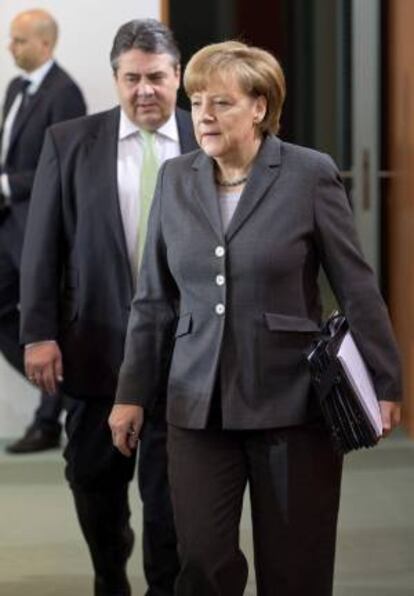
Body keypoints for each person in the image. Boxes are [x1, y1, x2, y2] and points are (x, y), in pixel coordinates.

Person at [111, 41, 402, 596]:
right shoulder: (175, 179)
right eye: (196, 102)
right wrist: (130, 393)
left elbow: (357, 285)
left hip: (292, 402)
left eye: (221, 102)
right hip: (196, 404)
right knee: (202, 562)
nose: (204, 115)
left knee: (297, 567)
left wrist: (385, 381)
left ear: (260, 107)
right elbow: (152, 300)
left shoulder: (308, 173)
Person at [20, 19, 196, 596]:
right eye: (132, 78)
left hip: (184, 356)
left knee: (170, 498)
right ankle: (108, 572)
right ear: (116, 79)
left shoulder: (209, 140)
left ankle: (163, 587)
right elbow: (42, 244)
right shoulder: (70, 141)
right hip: (96, 350)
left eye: (157, 77)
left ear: (179, 78)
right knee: (93, 481)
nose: (145, 90)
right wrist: (38, 331)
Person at [0, 9, 86, 454]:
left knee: (42, 317)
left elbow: (61, 170)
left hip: (38, 226)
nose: (10, 48)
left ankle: (49, 417)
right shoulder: (16, 87)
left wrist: (6, 183)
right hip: (7, 219)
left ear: (45, 44)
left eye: (19, 40)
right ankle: (64, 394)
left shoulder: (65, 93)